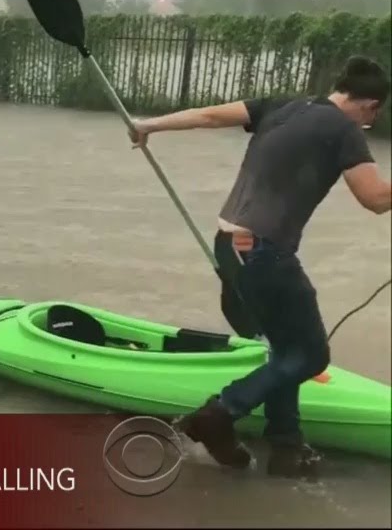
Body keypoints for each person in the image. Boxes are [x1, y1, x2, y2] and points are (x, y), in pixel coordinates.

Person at [127, 55, 391, 478]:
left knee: (285, 349)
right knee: (310, 355)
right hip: (263, 250)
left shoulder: (282, 106)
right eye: (371, 118)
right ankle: (219, 412)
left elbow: (210, 115)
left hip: (229, 242)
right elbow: (375, 198)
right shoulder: (344, 130)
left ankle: (286, 447)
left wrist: (148, 125)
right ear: (370, 106)